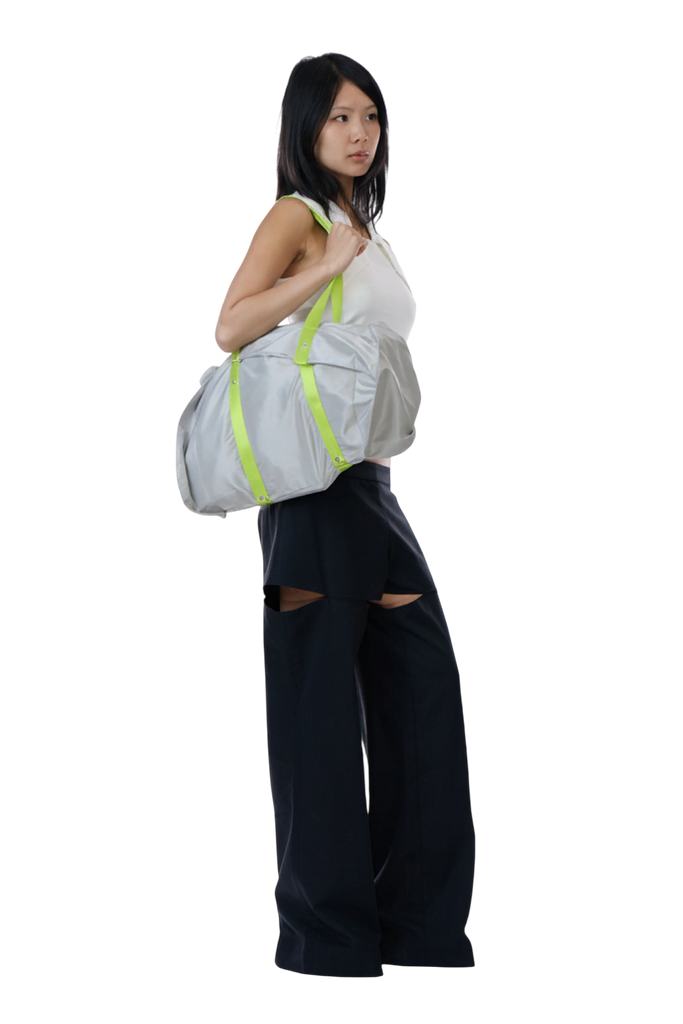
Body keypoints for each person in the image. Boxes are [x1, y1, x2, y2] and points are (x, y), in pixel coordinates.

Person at [212, 52, 475, 977]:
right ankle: (327, 946)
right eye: (339, 118)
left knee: (423, 707)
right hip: (310, 491)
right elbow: (230, 325)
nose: (360, 133)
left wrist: (350, 254)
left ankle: (424, 936)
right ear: (305, 128)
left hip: (373, 489)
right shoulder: (301, 216)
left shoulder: (373, 228)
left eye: (371, 117)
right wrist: (324, 266)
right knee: (317, 722)